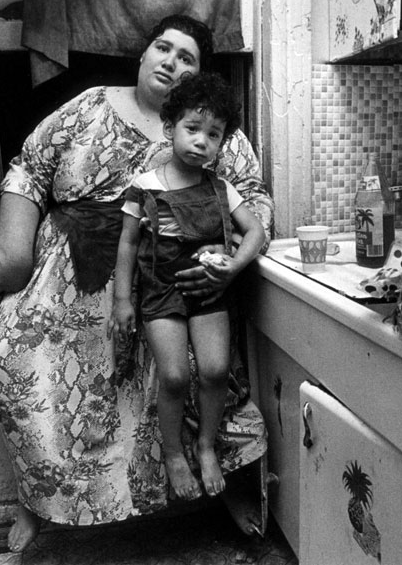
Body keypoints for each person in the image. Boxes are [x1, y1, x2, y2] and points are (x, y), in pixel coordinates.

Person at [0, 14, 274, 553]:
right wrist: (14, 254)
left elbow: (251, 197)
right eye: (164, 48)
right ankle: (38, 501)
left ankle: (222, 482)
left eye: (187, 58)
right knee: (11, 360)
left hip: (177, 282)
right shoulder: (91, 104)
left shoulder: (207, 127)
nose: (172, 62)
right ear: (142, 54)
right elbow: (29, 168)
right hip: (74, 278)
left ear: (199, 76)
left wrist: (225, 256)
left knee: (204, 371)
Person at [108, 73, 266, 501]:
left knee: (215, 371)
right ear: (170, 128)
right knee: (175, 377)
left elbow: (255, 232)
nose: (201, 142)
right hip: (160, 291)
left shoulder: (222, 188)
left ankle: (206, 446)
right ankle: (174, 453)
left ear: (222, 142)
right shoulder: (145, 186)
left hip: (211, 289)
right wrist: (123, 299)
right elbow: (127, 242)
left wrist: (232, 266)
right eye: (192, 129)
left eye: (213, 135)